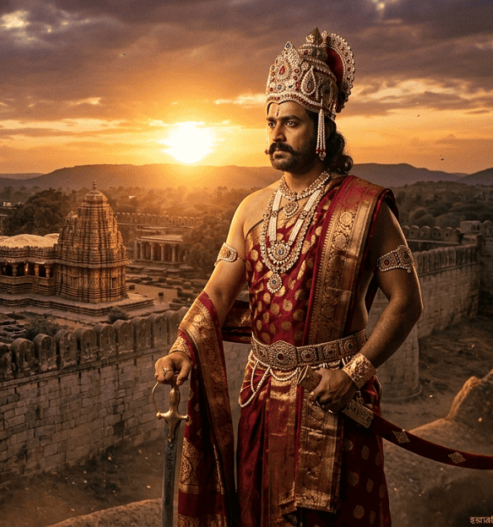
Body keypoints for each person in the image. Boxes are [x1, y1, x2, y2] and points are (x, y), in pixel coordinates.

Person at [154, 28, 424, 527]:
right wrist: (181, 349)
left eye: (291, 123)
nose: (276, 135)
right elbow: (217, 292)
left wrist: (354, 374)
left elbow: (406, 302)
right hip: (262, 397)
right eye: (271, 122)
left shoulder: (366, 207)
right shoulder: (252, 209)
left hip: (335, 395)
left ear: (322, 126)